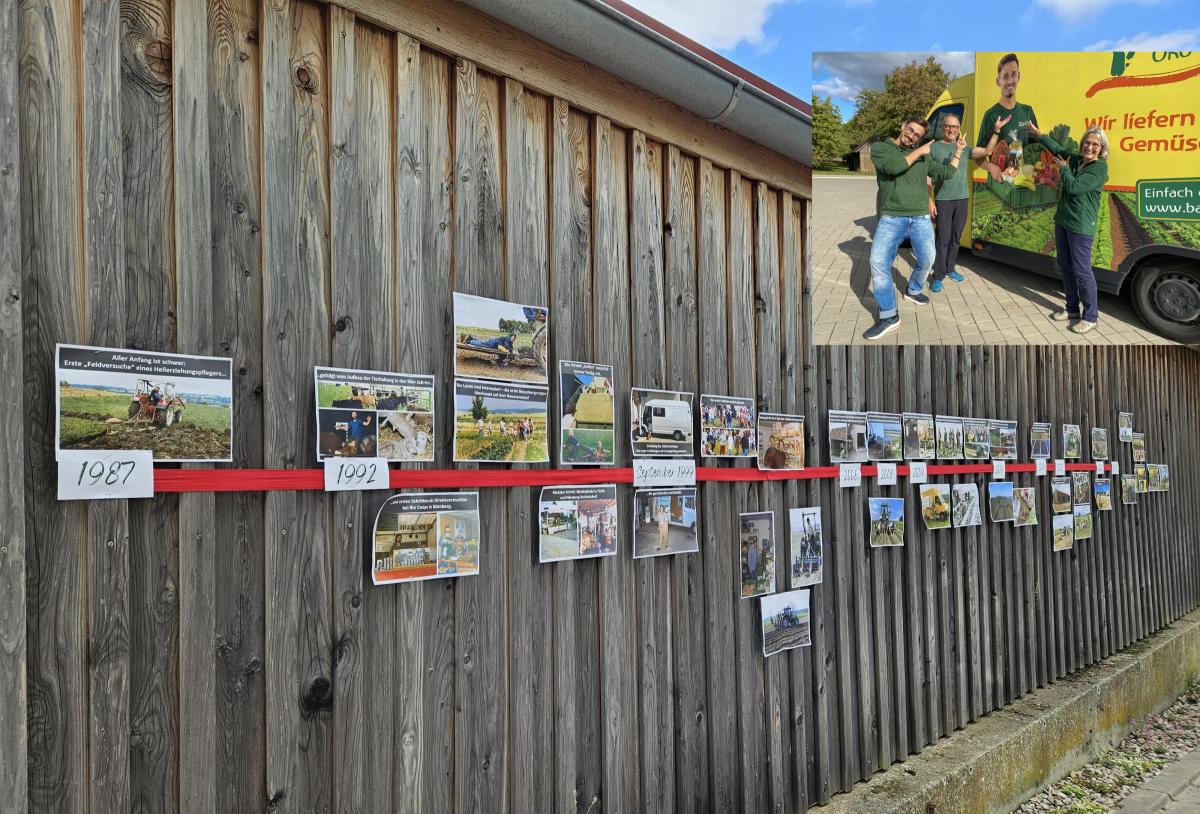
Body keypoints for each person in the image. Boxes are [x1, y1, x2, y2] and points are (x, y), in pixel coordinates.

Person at [864, 116, 963, 340]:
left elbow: (946, 173)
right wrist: (920, 151)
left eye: (917, 135)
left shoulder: (923, 158)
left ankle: (913, 289)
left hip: (920, 218)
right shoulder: (882, 148)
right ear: (902, 127)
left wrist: (958, 151)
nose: (912, 136)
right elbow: (894, 167)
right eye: (910, 131)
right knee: (878, 263)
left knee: (928, 258)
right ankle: (889, 315)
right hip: (892, 217)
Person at [1028, 122, 1110, 332]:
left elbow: (1074, 188)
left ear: (1101, 149)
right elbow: (1058, 149)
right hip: (1063, 220)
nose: (1089, 147)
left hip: (1081, 225)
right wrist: (1040, 135)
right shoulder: (1077, 158)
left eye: (1095, 145)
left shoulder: (1099, 168)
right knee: (1065, 265)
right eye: (1087, 142)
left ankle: (1090, 316)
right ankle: (1072, 308)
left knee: (1082, 270)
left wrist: (1063, 168)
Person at [927, 114, 990, 292]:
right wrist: (929, 200)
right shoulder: (934, 148)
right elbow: (928, 177)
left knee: (956, 237)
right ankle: (937, 275)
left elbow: (985, 152)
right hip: (943, 200)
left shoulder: (964, 147)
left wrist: (996, 131)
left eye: (955, 126)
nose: (951, 129)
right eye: (948, 126)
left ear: (959, 128)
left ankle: (950, 268)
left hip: (962, 198)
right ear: (942, 127)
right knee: (942, 238)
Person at [976, 54, 1039, 183]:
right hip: (1002, 184)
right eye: (1005, 76)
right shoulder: (991, 115)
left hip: (1026, 182)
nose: (1010, 81)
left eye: (1014, 74)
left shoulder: (1027, 112)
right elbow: (978, 156)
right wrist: (992, 168)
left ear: (1019, 76)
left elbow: (1036, 148)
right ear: (998, 81)